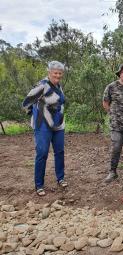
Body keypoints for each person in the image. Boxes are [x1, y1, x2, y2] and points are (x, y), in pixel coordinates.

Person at [22, 61, 67, 196]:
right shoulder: (41, 86)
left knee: (59, 152)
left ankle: (61, 178)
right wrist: (35, 115)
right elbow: (26, 103)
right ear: (49, 72)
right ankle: (39, 185)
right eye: (55, 73)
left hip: (58, 125)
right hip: (43, 126)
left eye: (60, 73)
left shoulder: (59, 86)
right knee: (42, 154)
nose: (57, 76)